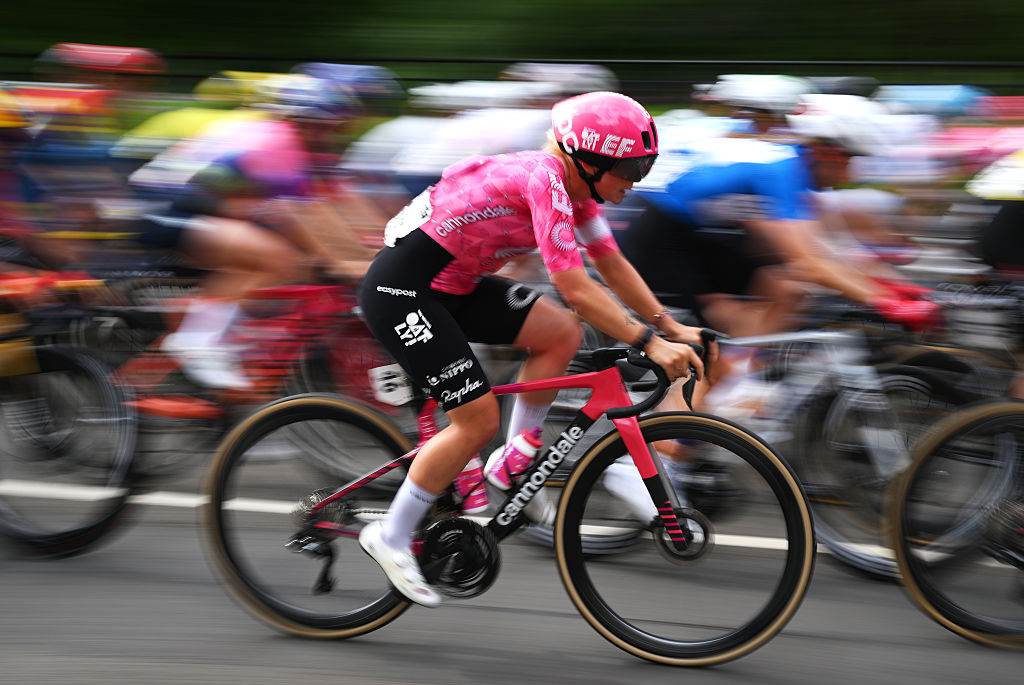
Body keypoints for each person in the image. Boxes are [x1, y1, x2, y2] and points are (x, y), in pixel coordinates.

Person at [354, 91, 707, 606]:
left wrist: (668, 324)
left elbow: (610, 267)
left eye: (645, 167)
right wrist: (648, 343)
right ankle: (390, 535)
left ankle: (514, 458)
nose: (635, 182)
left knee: (560, 332)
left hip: (454, 287)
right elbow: (579, 288)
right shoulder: (544, 179)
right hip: (402, 293)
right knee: (474, 421)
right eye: (631, 169)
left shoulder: (578, 191)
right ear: (589, 159)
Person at [128, 74, 378, 389]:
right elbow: (303, 218)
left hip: (202, 212)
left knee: (292, 258)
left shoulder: (305, 148)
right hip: (163, 212)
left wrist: (376, 248)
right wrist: (340, 260)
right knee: (277, 258)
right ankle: (199, 341)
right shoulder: (276, 140)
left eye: (337, 126)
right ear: (297, 120)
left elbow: (338, 207)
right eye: (325, 125)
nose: (332, 134)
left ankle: (207, 346)